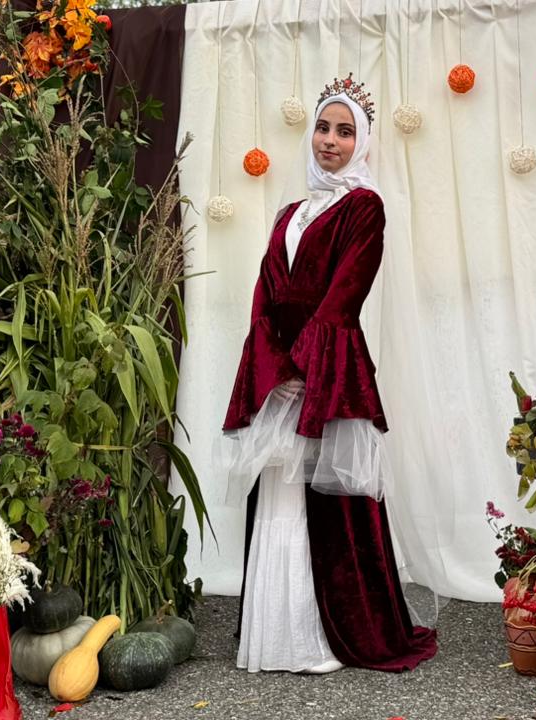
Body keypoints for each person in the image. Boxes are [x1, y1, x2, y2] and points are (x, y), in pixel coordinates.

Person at [222, 75, 437, 675]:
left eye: (344, 131)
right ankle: (275, 635)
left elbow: (345, 294)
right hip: (280, 371)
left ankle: (323, 635)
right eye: (323, 128)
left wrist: (303, 366)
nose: (330, 141)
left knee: (328, 503)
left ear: (361, 142)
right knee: (279, 490)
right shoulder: (289, 212)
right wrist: (270, 366)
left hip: (327, 366)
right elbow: (265, 290)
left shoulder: (365, 206)